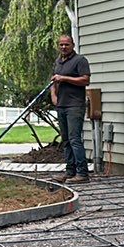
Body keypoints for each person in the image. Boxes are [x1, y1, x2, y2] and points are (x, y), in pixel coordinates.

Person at [51, 34, 91, 183]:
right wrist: (53, 96)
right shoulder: (58, 62)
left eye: (66, 44)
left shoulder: (80, 61)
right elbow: (54, 80)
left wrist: (65, 78)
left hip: (75, 105)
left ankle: (82, 174)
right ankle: (69, 171)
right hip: (61, 104)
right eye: (61, 44)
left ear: (73, 45)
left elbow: (85, 80)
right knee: (66, 140)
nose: (63, 47)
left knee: (75, 139)